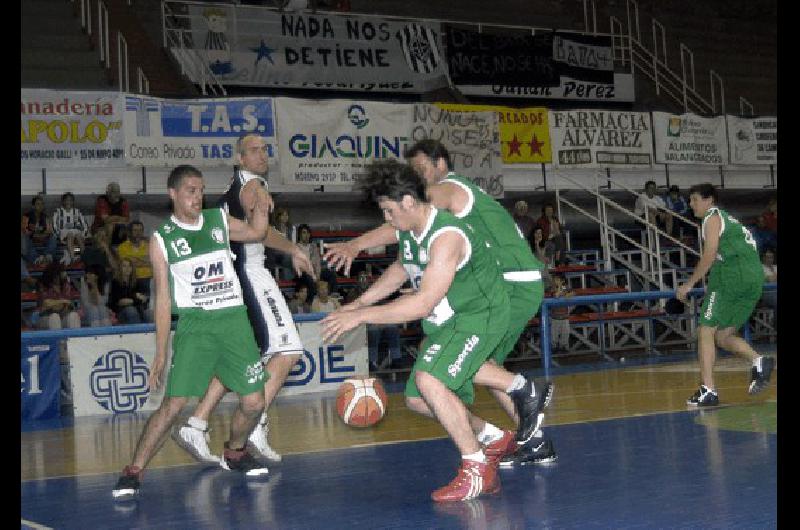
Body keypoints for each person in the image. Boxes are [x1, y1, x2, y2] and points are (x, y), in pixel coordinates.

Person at [322, 160, 551, 502]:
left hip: (480, 315)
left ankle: (477, 469)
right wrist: (358, 303)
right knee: (417, 398)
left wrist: (363, 316)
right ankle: (493, 436)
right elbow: (402, 267)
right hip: (451, 319)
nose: (387, 219)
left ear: (409, 202)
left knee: (433, 381)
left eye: (388, 210)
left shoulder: (447, 236)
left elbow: (422, 304)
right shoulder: (411, 230)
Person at [112, 164, 272, 499]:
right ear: (173, 193)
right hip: (196, 326)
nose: (197, 197)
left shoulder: (219, 221)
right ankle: (134, 470)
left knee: (255, 401)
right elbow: (163, 302)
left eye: (200, 190)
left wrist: (260, 201)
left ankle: (235, 452)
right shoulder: (162, 240)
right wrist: (160, 351)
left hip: (233, 321)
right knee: (173, 404)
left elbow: (257, 233)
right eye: (190, 191)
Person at [171, 133, 315, 468]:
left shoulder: (230, 191)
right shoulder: (252, 187)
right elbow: (262, 233)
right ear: (239, 158)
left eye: (265, 149)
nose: (262, 154)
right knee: (288, 350)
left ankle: (197, 424)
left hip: (234, 277)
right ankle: (255, 424)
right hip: (250, 275)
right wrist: (293, 247)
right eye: (254, 150)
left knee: (243, 354)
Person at [676, 183, 774, 406]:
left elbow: (709, 254)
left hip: (733, 277)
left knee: (705, 329)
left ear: (709, 200)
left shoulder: (711, 217)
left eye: (694, 199)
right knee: (723, 337)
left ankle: (708, 389)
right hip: (753, 279)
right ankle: (758, 361)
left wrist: (688, 284)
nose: (691, 205)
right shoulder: (729, 220)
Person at [36, 263, 81, 330]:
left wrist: (56, 303)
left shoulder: (66, 285)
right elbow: (46, 303)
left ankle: (75, 340)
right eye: (61, 273)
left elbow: (69, 303)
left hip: (62, 316)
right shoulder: (43, 285)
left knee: (73, 315)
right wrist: (62, 302)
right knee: (54, 317)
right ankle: (58, 340)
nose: (63, 275)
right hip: (45, 318)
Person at [108, 258, 150, 324]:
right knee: (131, 310)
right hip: (120, 312)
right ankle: (137, 332)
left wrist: (134, 299)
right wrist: (137, 299)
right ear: (120, 268)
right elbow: (120, 302)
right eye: (124, 266)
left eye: (129, 266)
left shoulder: (137, 282)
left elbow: (144, 298)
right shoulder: (115, 283)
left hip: (138, 309)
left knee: (149, 313)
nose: (127, 268)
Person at [52, 192, 89, 265]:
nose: (69, 202)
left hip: (76, 231)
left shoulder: (77, 211)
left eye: (71, 200)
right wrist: (58, 236)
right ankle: (73, 257)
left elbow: (84, 224)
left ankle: (85, 257)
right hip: (64, 232)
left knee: (79, 236)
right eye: (67, 200)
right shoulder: (58, 212)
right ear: (63, 201)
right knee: (70, 234)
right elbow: (54, 225)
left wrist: (83, 235)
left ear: (73, 202)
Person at [117, 221, 152, 295]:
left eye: (140, 230)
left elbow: (154, 262)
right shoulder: (122, 247)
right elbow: (129, 263)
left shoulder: (149, 245)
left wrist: (136, 259)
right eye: (135, 230)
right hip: (130, 279)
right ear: (129, 232)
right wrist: (146, 259)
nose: (138, 233)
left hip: (148, 278)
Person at [22, 194, 58, 266]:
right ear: (33, 206)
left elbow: (49, 230)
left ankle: (48, 256)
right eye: (38, 204)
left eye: (42, 204)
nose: (40, 206)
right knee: (23, 238)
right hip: (30, 239)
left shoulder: (45, 217)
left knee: (53, 237)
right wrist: (35, 233)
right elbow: (24, 230)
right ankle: (36, 259)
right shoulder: (26, 216)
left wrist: (40, 234)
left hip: (42, 238)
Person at [549, 274, 574, 353]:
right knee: (554, 335)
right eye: (554, 280)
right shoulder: (553, 288)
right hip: (555, 317)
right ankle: (553, 347)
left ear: (562, 281)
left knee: (565, 333)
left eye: (557, 280)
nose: (555, 281)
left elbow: (573, 293)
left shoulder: (565, 287)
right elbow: (556, 295)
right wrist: (561, 291)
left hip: (565, 316)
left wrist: (568, 294)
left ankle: (563, 347)